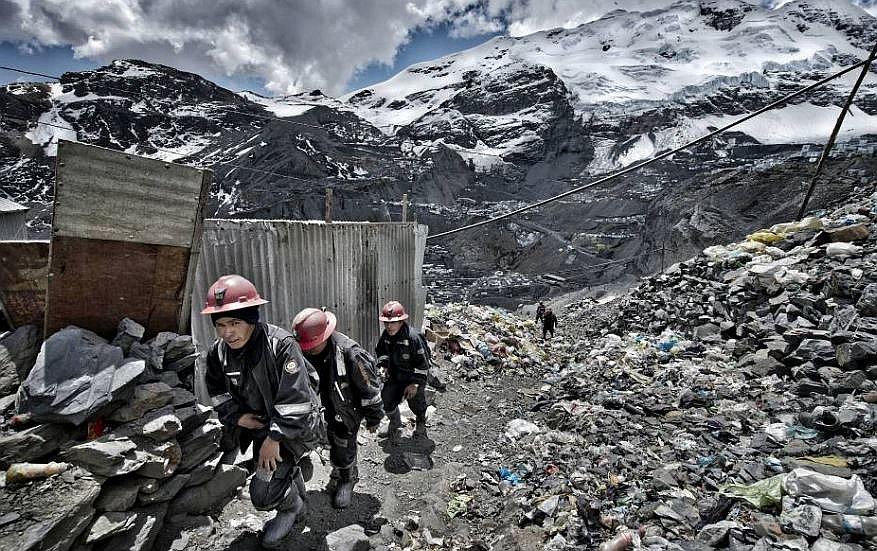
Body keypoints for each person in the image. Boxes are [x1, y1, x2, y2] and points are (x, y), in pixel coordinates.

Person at [202, 274, 322, 548]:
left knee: (261, 495)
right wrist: (237, 417)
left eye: (235, 323)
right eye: (220, 325)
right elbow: (218, 393)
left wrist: (274, 438)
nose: (227, 333)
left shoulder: (281, 345)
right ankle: (293, 496)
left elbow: (298, 399)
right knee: (266, 485)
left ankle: (291, 507)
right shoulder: (218, 353)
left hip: (293, 429)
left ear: (252, 319)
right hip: (260, 430)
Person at [292, 307, 383, 509]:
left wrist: (374, 418)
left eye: (310, 346)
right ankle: (339, 467)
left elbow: (370, 389)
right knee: (331, 440)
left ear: (324, 337)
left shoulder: (351, 354)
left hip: (347, 409)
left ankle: (347, 478)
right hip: (325, 405)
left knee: (343, 443)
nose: (306, 350)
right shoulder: (306, 351)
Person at [375, 300, 430, 441]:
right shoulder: (386, 335)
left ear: (401, 322)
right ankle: (395, 422)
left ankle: (420, 423)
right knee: (386, 399)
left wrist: (415, 384)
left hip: (413, 377)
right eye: (386, 323)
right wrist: (383, 366)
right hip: (395, 376)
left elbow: (424, 365)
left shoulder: (413, 338)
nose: (389, 326)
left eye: (393, 322)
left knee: (416, 402)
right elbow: (381, 352)